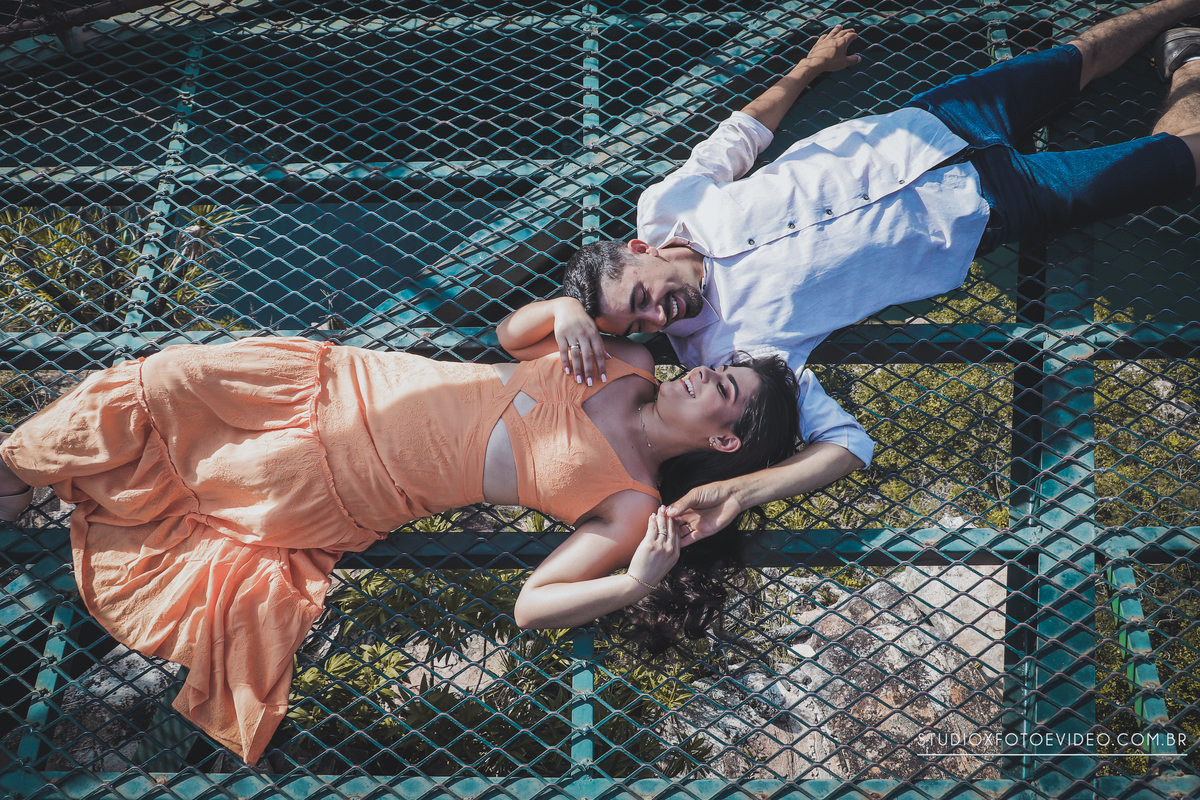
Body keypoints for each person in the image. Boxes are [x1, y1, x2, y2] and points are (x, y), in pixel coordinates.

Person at [534, 0, 1200, 543]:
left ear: (640, 249)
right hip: (984, 208)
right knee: (1182, 160)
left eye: (642, 297)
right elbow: (846, 445)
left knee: (1079, 57)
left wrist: (808, 68)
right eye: (641, 325)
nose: (657, 318)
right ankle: (1187, 58)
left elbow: (740, 136)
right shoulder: (732, 355)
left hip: (927, 126)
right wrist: (738, 492)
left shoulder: (666, 204)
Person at [0, 318, 800, 764]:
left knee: (230, 475)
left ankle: (34, 480)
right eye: (720, 367)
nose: (705, 374)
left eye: (725, 387)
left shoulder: (628, 504)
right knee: (167, 379)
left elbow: (532, 606)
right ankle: (20, 470)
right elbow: (511, 333)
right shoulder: (624, 358)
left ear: (725, 441)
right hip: (343, 381)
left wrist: (635, 581)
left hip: (352, 482)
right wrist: (564, 312)